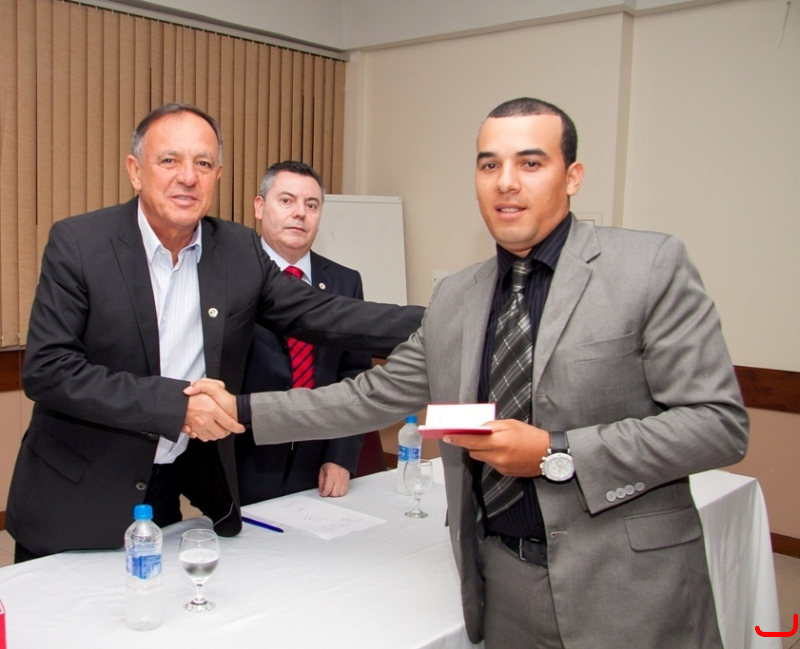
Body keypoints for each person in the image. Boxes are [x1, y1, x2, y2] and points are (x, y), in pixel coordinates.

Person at [189, 98, 749, 649]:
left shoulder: (648, 268)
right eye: (489, 165)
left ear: (573, 176)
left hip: (627, 584)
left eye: (531, 163)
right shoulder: (458, 296)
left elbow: (718, 425)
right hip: (503, 586)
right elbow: (369, 396)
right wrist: (239, 409)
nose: (506, 182)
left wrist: (557, 452)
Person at [6, 103, 424, 562]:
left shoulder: (238, 250)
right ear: (135, 171)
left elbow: (326, 314)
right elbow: (49, 370)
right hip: (75, 495)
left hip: (164, 495)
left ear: (217, 175)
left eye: (203, 164)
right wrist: (177, 407)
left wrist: (449, 319)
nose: (188, 177)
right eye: (170, 160)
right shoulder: (80, 244)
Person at [236, 160, 372, 504]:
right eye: (286, 200)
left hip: (318, 460)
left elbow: (355, 376)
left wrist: (341, 455)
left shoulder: (345, 282)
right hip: (243, 458)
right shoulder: (229, 277)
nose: (300, 213)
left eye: (311, 205)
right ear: (259, 207)